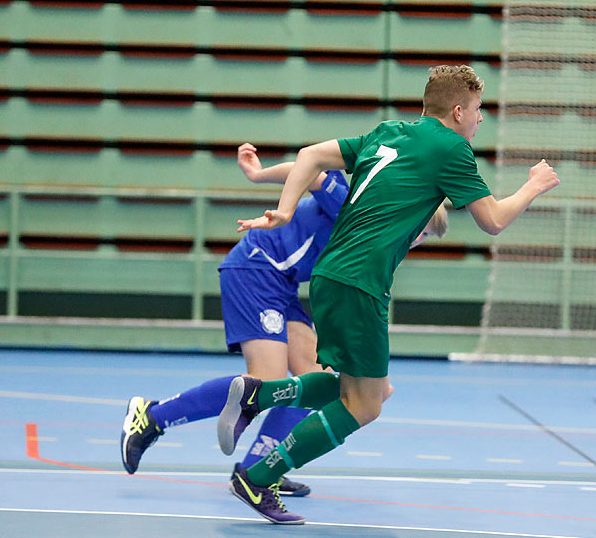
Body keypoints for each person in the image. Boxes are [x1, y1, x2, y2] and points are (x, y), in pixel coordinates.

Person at [217, 64, 559, 524]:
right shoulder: (452, 149)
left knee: (364, 388)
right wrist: (534, 185)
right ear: (458, 111)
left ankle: (259, 398)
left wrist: (282, 208)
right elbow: (493, 220)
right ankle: (258, 475)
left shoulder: (388, 132)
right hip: (361, 283)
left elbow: (310, 155)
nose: (481, 120)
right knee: (366, 404)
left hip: (330, 276)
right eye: (478, 110)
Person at [120, 142, 448, 493]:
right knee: (266, 379)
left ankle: (255, 471)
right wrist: (259, 175)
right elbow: (307, 169)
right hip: (257, 268)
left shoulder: (383, 237)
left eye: (424, 235)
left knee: (315, 379)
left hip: (284, 283)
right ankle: (152, 416)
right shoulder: (358, 205)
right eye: (421, 228)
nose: (416, 238)